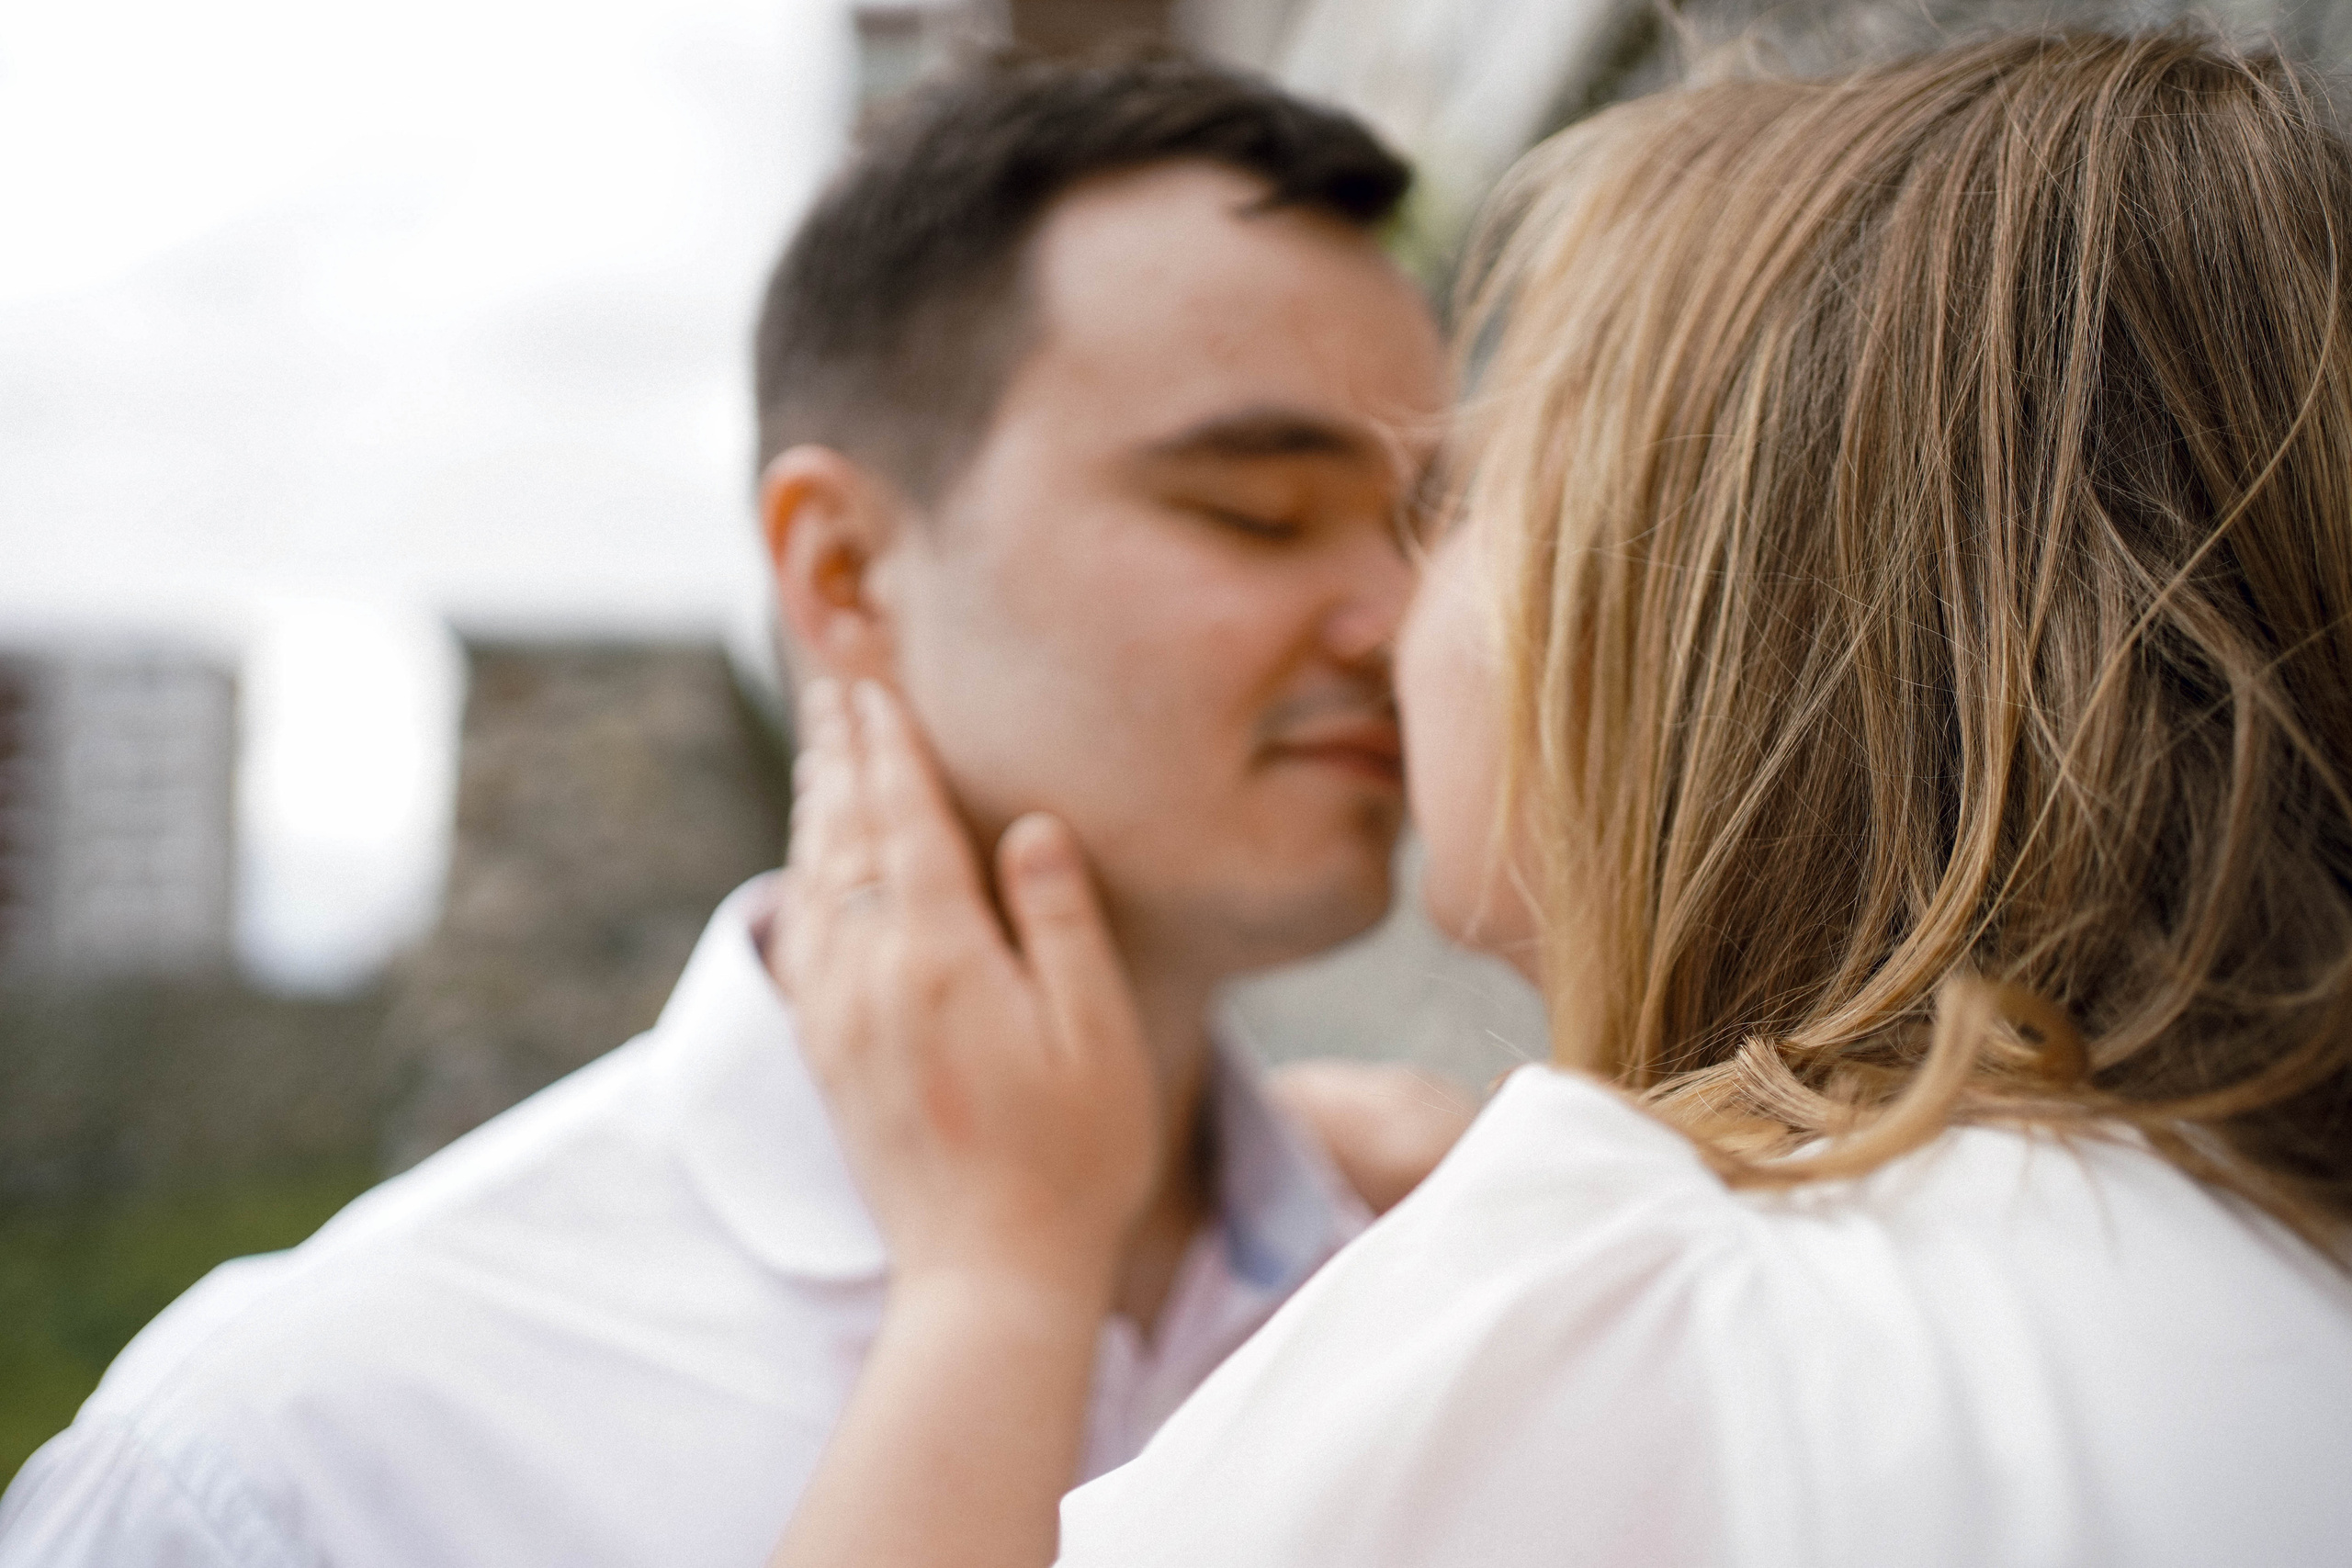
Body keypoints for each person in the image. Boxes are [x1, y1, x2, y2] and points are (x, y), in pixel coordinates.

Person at [764, 28, 2352, 1568]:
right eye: (1252, 514)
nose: (1391, 612)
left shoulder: (1623, 1311)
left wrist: (997, 1289)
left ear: (1711, 621)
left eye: (1455, 501)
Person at [0, 52, 1473, 1567]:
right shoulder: (290, 1461)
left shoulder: (1466, 1282)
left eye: (1431, 528)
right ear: (841, 572)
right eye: (1256, 511)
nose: (1403, 618)